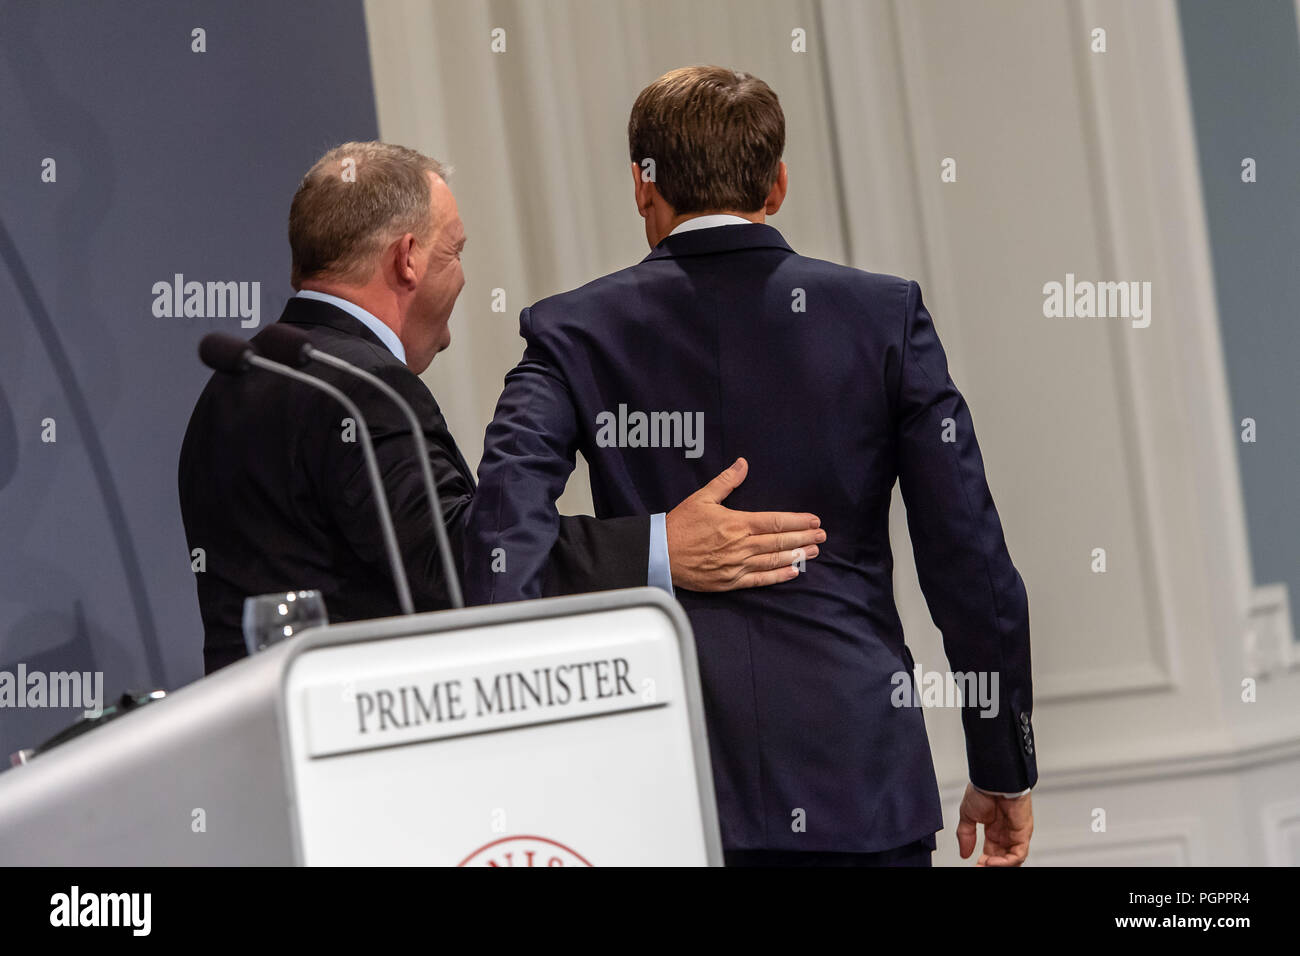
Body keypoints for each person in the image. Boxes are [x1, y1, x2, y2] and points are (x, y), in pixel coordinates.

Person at [464, 68, 1037, 866]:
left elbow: (497, 545)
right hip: (856, 781)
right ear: (778, 183)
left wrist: (653, 548)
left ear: (642, 186)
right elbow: (971, 558)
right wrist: (1001, 764)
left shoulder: (572, 332)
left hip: (663, 787)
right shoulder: (883, 317)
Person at [179, 141, 825, 675]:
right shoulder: (362, 391)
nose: (462, 278)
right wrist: (659, 545)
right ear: (408, 259)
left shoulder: (232, 389)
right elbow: (464, 563)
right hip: (366, 759)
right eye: (455, 251)